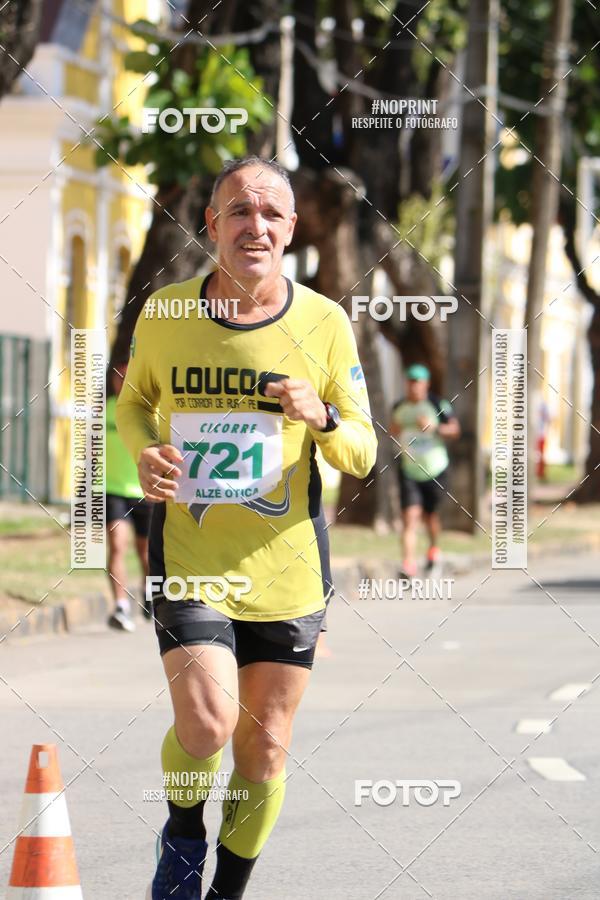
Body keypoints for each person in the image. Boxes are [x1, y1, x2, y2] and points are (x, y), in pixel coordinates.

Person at [116, 156, 377, 900]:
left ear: (291, 230)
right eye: (238, 210)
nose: (253, 225)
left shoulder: (323, 322)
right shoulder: (165, 311)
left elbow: (362, 448)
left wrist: (319, 414)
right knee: (205, 722)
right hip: (192, 554)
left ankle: (228, 890)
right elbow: (133, 403)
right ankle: (183, 836)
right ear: (212, 225)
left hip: (288, 566)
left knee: (263, 751)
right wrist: (146, 452)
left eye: (270, 214)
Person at [389, 363, 460, 578]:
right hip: (409, 469)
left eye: (418, 382)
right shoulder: (399, 406)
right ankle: (408, 565)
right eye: (410, 382)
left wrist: (435, 428)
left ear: (426, 384)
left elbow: (455, 430)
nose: (414, 386)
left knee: (430, 517)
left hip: (435, 469)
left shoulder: (437, 404)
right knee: (410, 517)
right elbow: (392, 429)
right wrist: (395, 431)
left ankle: (433, 551)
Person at [105, 362, 152, 632]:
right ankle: (121, 606)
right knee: (117, 545)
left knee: (145, 554)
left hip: (143, 491)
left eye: (126, 377)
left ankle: (148, 591)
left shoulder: (148, 412)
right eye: (118, 377)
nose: (121, 382)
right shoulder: (106, 410)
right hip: (112, 489)